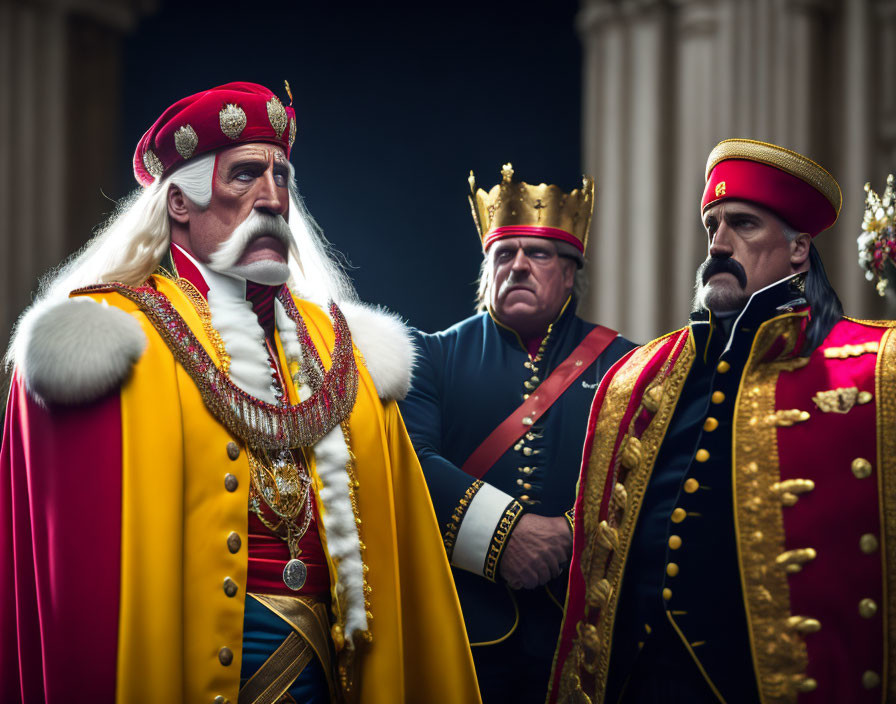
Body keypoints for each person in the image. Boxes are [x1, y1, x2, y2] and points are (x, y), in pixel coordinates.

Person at [0, 82, 480, 704]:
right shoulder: (115, 338)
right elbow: (74, 573)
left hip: (334, 671)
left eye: (282, 176)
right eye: (245, 176)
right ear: (179, 201)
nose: (273, 198)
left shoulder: (342, 348)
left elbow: (401, 559)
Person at [549, 138, 896, 704]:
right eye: (712, 225)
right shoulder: (635, 379)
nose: (720, 243)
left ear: (800, 249)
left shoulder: (876, 370)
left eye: (743, 224)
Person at [399, 164, 635, 704]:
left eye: (540, 254)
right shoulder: (429, 355)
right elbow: (410, 461)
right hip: (466, 627)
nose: (520, 266)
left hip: (583, 624)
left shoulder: (628, 362)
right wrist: (506, 534)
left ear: (571, 273)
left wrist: (569, 535)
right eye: (504, 254)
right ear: (487, 269)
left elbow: (643, 470)